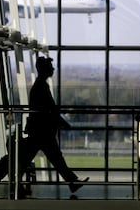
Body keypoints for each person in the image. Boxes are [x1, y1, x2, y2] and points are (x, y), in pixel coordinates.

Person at [23, 56, 89, 193]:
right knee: (55, 158)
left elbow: (49, 110)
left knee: (32, 157)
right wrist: (63, 123)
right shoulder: (42, 86)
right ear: (44, 69)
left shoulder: (39, 85)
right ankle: (72, 182)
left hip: (39, 131)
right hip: (42, 131)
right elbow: (51, 110)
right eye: (50, 67)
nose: (53, 69)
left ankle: (72, 182)